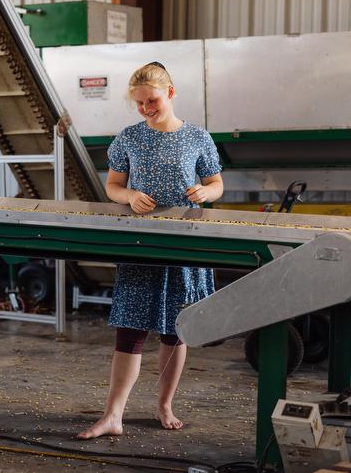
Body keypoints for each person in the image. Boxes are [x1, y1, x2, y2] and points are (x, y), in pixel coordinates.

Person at [76, 61, 223, 440]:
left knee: (176, 332)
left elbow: (215, 183)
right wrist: (129, 195)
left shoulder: (198, 138)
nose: (145, 109)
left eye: (152, 101)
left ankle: (164, 405)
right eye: (139, 103)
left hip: (184, 244)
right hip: (141, 242)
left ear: (170, 93)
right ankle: (113, 415)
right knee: (130, 330)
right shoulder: (128, 138)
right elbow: (112, 186)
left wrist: (207, 192)